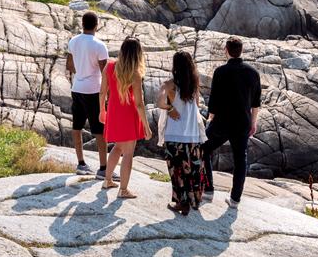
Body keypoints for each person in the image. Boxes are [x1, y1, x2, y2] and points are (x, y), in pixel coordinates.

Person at [202, 36, 261, 207]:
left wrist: (210, 119)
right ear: (241, 51)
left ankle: (208, 190)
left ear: (226, 50)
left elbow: (213, 102)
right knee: (240, 159)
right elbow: (256, 103)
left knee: (203, 149)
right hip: (242, 122)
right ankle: (235, 199)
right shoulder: (253, 73)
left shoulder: (220, 71)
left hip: (222, 122)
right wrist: (253, 122)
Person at [156, 51, 207, 215]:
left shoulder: (169, 84)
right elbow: (196, 106)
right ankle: (193, 201)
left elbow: (159, 102)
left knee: (176, 171)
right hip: (192, 135)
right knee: (192, 170)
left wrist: (170, 108)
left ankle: (181, 203)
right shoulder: (194, 84)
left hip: (173, 134)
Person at [100, 37, 150, 199]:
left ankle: (107, 180)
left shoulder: (109, 66)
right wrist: (147, 127)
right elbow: (140, 104)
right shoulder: (135, 74)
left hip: (113, 112)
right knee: (128, 153)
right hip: (129, 115)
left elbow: (102, 92)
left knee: (118, 147)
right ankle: (123, 189)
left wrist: (101, 111)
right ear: (137, 54)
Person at [66, 11, 109, 177]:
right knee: (99, 130)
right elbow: (105, 72)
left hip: (77, 88)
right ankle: (103, 168)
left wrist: (81, 73)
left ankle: (81, 164)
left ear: (82, 24)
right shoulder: (99, 45)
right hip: (94, 90)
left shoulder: (73, 41)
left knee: (77, 126)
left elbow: (69, 65)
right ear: (96, 25)